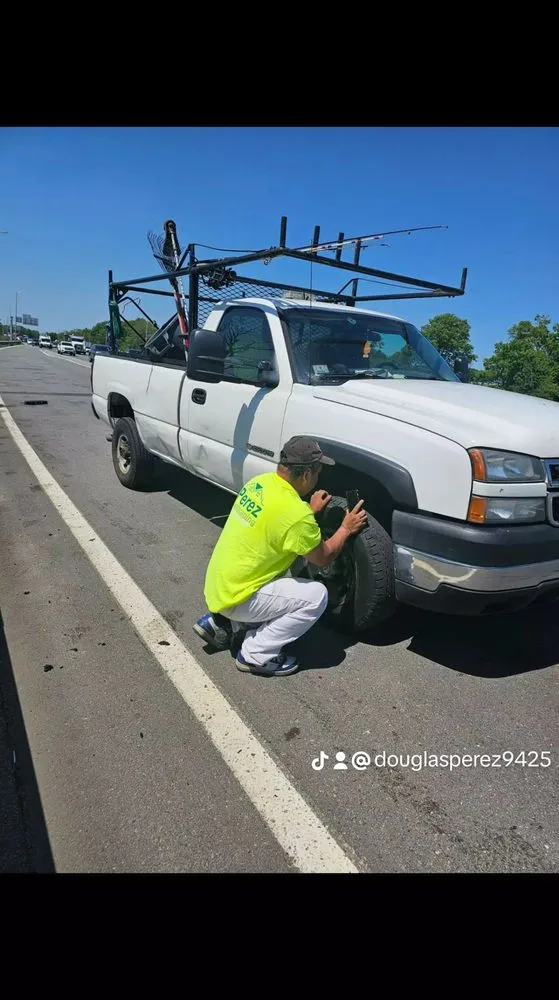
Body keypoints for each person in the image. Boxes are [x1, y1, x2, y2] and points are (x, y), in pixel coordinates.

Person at [193, 436, 368, 677]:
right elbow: (324, 557)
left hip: (218, 586)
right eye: (317, 472)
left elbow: (278, 522)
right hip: (238, 596)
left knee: (281, 564)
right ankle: (256, 653)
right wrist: (346, 528)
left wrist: (309, 510)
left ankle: (221, 623)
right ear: (306, 474)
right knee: (316, 596)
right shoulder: (296, 516)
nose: (318, 478)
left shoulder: (260, 483)